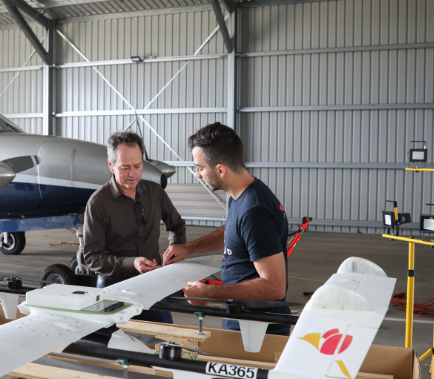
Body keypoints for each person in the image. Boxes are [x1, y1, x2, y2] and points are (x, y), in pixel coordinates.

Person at [162, 123, 292, 335]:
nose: (197, 174)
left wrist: (208, 292)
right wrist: (189, 248)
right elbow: (231, 232)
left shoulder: (255, 210)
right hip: (242, 320)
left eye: (200, 167)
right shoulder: (240, 195)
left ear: (220, 169)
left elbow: (274, 287)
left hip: (258, 331)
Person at [83, 131, 186, 324]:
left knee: (165, 342)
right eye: (125, 167)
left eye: (138, 166)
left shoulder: (155, 192)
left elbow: (177, 226)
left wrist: (176, 253)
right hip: (112, 291)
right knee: (114, 348)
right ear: (111, 165)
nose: (133, 174)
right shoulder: (98, 203)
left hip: (153, 287)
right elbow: (92, 258)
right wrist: (132, 263)